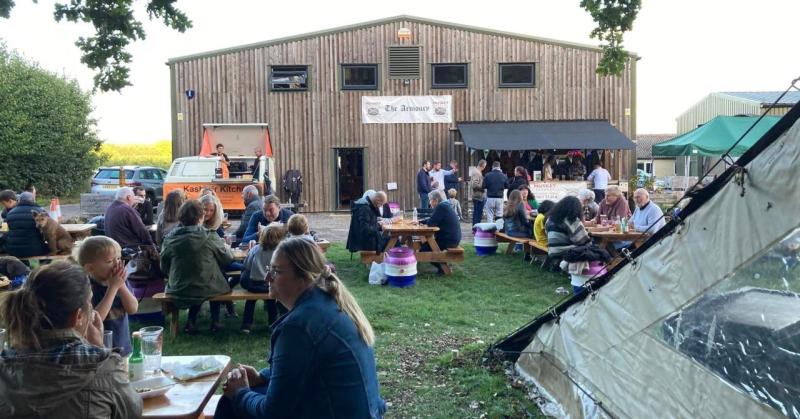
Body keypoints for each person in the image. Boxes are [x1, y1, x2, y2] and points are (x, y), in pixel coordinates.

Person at [215, 238, 386, 419]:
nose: (267, 278)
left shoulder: (298, 326)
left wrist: (240, 393)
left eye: (276, 271)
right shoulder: (328, 302)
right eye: (269, 269)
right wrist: (264, 376)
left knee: (230, 404)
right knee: (253, 393)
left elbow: (273, 413)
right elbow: (308, 365)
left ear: (304, 277)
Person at [0, 261, 142, 418]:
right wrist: (100, 350)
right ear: (78, 316)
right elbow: (132, 411)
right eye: (90, 302)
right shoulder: (102, 366)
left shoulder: (5, 365)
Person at [160, 200, 234, 333]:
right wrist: (226, 247)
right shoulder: (210, 235)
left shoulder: (169, 239)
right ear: (201, 217)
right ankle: (215, 321)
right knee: (213, 280)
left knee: (203, 280)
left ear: (181, 217)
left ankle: (191, 321)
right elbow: (227, 259)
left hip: (178, 287)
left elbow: (164, 267)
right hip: (207, 287)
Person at [76, 236, 139, 356]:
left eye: (118, 259)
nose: (117, 264)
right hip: (98, 352)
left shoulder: (120, 283)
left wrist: (121, 286)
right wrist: (113, 288)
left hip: (123, 348)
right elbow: (95, 320)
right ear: (90, 268)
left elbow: (133, 309)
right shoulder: (86, 288)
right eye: (110, 261)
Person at [240, 224, 287, 334]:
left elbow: (246, 265)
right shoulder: (281, 252)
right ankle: (272, 323)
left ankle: (246, 325)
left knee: (250, 301)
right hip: (272, 285)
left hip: (254, 285)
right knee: (271, 301)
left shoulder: (256, 249)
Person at [545, 196, 592, 294]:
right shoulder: (571, 220)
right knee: (591, 248)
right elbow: (584, 241)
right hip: (565, 251)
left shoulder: (550, 219)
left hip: (552, 250)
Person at [420, 190, 462, 275]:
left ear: (435, 200)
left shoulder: (441, 207)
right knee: (425, 245)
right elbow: (433, 219)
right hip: (453, 238)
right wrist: (420, 221)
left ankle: (443, 268)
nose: (429, 203)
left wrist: (423, 223)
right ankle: (443, 265)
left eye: (430, 200)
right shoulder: (444, 205)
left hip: (449, 240)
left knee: (424, 249)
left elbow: (431, 223)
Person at [4, 192, 49, 257]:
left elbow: (5, 231)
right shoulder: (41, 211)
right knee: (52, 248)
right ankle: (45, 263)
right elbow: (49, 228)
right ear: (33, 200)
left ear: (19, 200)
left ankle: (25, 263)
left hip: (13, 250)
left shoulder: (10, 213)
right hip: (36, 250)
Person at [470, 160, 487, 226]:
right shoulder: (477, 172)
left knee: (477, 213)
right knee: (478, 214)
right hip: (478, 195)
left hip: (477, 195)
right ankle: (476, 228)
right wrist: (483, 188)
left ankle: (475, 228)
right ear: (483, 165)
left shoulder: (476, 171)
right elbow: (474, 184)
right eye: (485, 166)